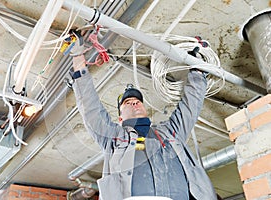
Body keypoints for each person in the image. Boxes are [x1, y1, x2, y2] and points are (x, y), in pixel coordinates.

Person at [70, 50, 217, 199]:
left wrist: (197, 70)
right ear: (120, 119)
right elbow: (91, 110)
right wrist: (78, 57)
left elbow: (190, 107)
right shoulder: (114, 138)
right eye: (127, 102)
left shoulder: (171, 132)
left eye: (138, 101)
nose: (134, 102)